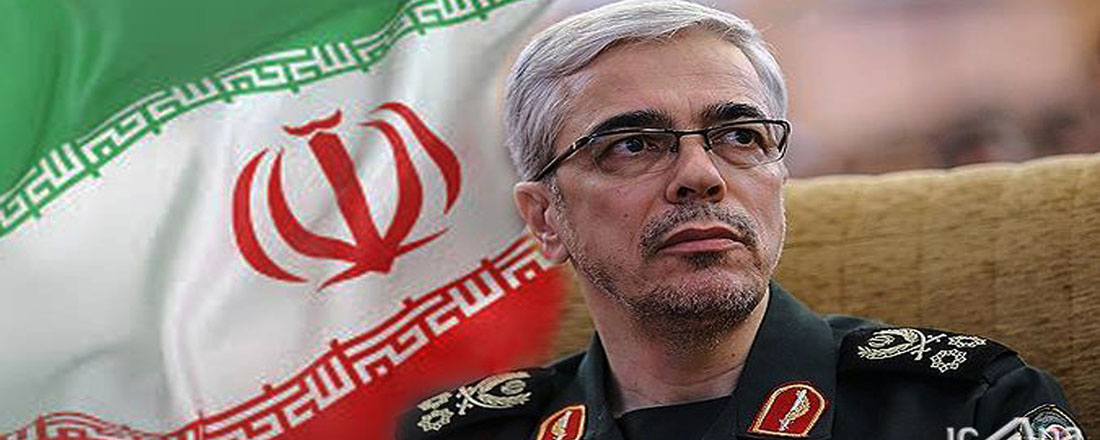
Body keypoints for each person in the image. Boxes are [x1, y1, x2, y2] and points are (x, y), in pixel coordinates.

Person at [398, 1, 1085, 439]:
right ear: (545, 218)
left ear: (780, 177)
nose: (702, 174)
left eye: (740, 137)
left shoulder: (965, 407)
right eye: (633, 145)